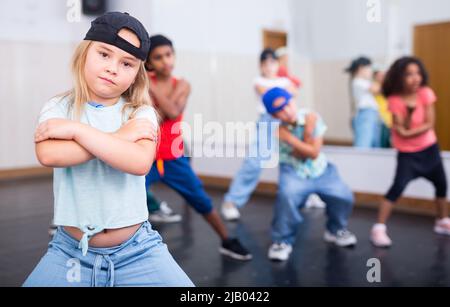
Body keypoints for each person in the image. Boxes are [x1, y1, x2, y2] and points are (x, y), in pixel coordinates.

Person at [24, 12, 193, 287]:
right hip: (71, 252)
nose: (113, 68)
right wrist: (120, 136)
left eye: (127, 63)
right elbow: (49, 154)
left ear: (137, 73)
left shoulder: (140, 112)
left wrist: (76, 132)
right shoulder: (58, 107)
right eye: (104, 55)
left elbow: (138, 162)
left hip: (138, 250)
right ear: (85, 54)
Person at [145, 34, 252, 261]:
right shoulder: (141, 87)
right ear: (148, 62)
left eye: (168, 55)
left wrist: (151, 88)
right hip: (145, 155)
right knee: (126, 199)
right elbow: (154, 118)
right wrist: (152, 92)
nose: (166, 61)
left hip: (174, 157)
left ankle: (227, 240)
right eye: (158, 57)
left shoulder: (181, 84)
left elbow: (171, 113)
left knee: (201, 200)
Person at [262, 87, 357, 262]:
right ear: (274, 116)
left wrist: (297, 136)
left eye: (287, 105)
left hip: (321, 170)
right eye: (279, 111)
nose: (286, 112)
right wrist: (304, 134)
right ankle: (281, 241)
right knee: (286, 197)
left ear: (293, 101)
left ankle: (335, 230)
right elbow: (302, 155)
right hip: (293, 171)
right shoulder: (274, 132)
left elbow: (314, 153)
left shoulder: (312, 116)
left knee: (344, 196)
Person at [221, 49, 317, 221]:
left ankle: (306, 194)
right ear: (261, 66)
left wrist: (284, 89)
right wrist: (284, 90)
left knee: (297, 158)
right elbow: (271, 95)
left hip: (287, 121)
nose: (269, 67)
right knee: (255, 162)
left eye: (273, 63)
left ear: (277, 64)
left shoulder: (284, 79)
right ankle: (231, 202)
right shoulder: (259, 80)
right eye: (265, 64)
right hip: (267, 122)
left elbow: (291, 93)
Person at [370, 57, 449, 247]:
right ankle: (378, 228)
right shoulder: (394, 100)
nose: (415, 78)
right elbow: (401, 129)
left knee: (441, 184)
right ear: (399, 77)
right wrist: (410, 115)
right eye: (409, 74)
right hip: (408, 154)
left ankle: (442, 221)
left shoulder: (425, 93)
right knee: (397, 188)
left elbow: (428, 124)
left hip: (429, 149)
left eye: (418, 73)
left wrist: (406, 131)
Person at [346, 56, 382, 148]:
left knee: (374, 145)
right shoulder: (358, 81)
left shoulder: (362, 82)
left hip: (371, 115)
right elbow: (377, 89)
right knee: (363, 145)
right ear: (361, 68)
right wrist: (379, 77)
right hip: (365, 114)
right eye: (370, 68)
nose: (371, 71)